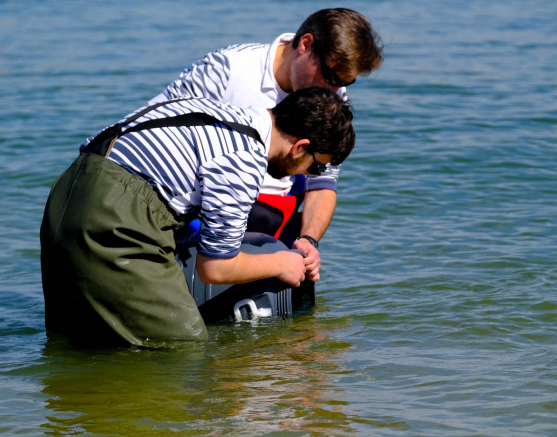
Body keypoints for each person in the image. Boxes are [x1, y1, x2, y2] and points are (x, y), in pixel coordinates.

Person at [40, 88, 354, 345]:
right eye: (315, 167)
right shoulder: (244, 158)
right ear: (300, 147)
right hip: (115, 215)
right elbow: (215, 267)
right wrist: (283, 262)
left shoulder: (216, 111)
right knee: (182, 350)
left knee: (74, 342)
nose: (310, 174)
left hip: (66, 193)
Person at [148, 8, 383, 282]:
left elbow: (322, 183)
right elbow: (153, 130)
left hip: (279, 218)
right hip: (208, 212)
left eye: (346, 83)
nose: (335, 91)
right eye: (332, 78)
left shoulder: (333, 96)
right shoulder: (227, 69)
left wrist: (309, 239)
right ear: (306, 44)